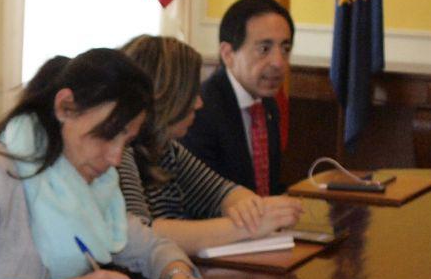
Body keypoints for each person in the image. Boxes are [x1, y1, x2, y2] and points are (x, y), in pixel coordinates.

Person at [0, 49, 213, 279]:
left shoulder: (90, 182)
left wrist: (177, 276)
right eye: (106, 136)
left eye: (125, 142)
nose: (115, 158)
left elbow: (151, 247)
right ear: (65, 107)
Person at [118, 35, 304, 253]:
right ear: (165, 96)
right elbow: (142, 234)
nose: (199, 103)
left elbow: (223, 193)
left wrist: (255, 210)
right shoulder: (120, 153)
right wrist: (247, 227)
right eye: (191, 93)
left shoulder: (168, 149)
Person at [181, 0, 293, 193]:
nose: (278, 62)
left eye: (285, 49)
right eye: (264, 49)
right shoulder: (201, 111)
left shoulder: (267, 105)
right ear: (228, 54)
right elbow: (203, 197)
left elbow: (270, 188)